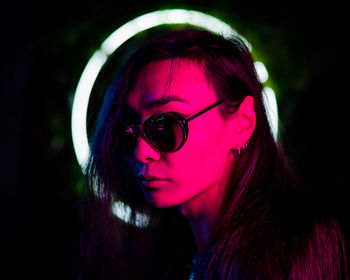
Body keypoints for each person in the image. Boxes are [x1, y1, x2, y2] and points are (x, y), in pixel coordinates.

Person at [78, 28, 348, 280]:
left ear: (242, 123)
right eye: (127, 131)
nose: (140, 152)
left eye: (166, 126)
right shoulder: (175, 252)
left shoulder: (290, 244)